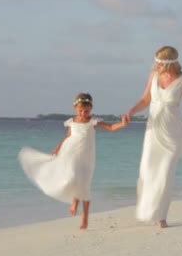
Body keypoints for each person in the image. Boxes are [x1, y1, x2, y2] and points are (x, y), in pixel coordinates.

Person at [124, 46, 182, 228]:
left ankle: (161, 217)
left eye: (158, 61)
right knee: (147, 170)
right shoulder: (154, 76)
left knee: (165, 174)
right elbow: (145, 100)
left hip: (173, 133)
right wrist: (131, 112)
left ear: (166, 61)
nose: (155, 64)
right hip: (153, 131)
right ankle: (147, 209)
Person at [18, 93, 128, 229]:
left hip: (87, 157)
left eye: (86, 111)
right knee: (72, 177)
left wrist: (122, 124)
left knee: (84, 185)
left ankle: (85, 218)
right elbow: (67, 137)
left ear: (91, 108)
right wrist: (58, 147)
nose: (83, 113)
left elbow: (111, 127)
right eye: (80, 111)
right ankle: (75, 201)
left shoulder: (93, 121)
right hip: (70, 153)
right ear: (75, 108)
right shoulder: (72, 122)